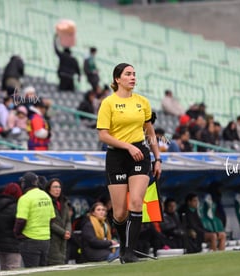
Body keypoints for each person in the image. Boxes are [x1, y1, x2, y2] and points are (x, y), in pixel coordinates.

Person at [96, 63, 162, 263]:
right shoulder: (108, 103)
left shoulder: (142, 102)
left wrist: (158, 158)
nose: (133, 77)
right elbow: (103, 135)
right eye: (128, 74)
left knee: (135, 203)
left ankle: (129, 252)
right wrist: (127, 147)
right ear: (117, 79)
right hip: (117, 156)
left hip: (140, 154)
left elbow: (150, 133)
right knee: (120, 212)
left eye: (134, 74)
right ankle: (124, 248)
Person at [14, 172, 56, 268]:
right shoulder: (46, 196)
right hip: (45, 239)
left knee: (32, 271)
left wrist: (17, 234)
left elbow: (21, 220)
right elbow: (52, 218)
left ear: (25, 183)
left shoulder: (25, 198)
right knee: (42, 271)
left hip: (30, 239)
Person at [0, 183, 23, 270]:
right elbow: (19, 225)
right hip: (13, 244)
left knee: (3, 269)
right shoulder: (17, 207)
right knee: (13, 269)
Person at [44, 178, 72, 265]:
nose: (58, 189)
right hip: (52, 238)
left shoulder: (64, 202)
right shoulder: (46, 202)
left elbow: (68, 220)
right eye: (55, 187)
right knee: (54, 264)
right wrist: (63, 232)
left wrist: (68, 231)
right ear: (49, 189)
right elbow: (49, 222)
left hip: (64, 238)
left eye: (59, 187)